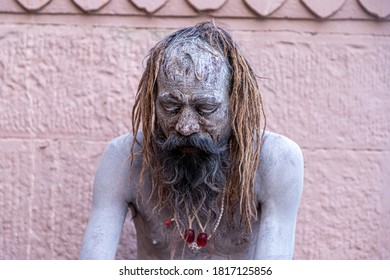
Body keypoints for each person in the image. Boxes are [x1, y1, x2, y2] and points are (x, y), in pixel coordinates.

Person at [79, 21, 304, 260]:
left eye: (205, 108)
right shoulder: (124, 158)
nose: (185, 127)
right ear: (153, 102)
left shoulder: (276, 160)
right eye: (171, 106)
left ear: (235, 103)